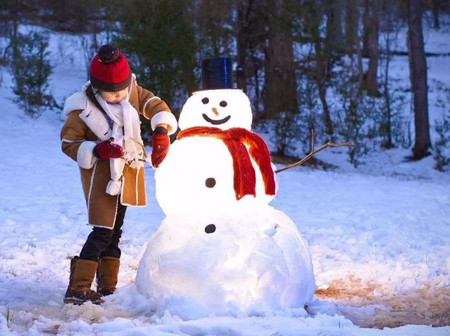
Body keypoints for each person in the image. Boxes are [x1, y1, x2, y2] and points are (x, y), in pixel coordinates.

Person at [60, 44, 177, 305]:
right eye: (112, 95)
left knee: (116, 231)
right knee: (102, 231)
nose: (120, 97)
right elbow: (69, 142)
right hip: (100, 180)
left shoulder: (131, 92)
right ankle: (78, 287)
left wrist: (160, 132)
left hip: (127, 175)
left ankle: (107, 285)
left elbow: (155, 105)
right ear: (97, 89)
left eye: (123, 91)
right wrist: (97, 149)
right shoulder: (82, 110)